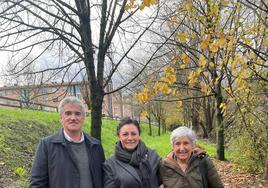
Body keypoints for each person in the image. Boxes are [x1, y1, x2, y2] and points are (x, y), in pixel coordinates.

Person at [30, 96, 105, 188]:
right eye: (68, 113)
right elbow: (37, 183)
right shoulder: (47, 146)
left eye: (77, 114)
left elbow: (103, 179)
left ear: (83, 118)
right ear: (61, 118)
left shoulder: (96, 146)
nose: (73, 118)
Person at [103, 117, 161, 188]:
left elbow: (166, 179)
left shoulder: (152, 156)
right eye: (125, 134)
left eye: (134, 134)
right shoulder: (110, 164)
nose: (130, 138)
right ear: (119, 136)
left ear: (139, 135)